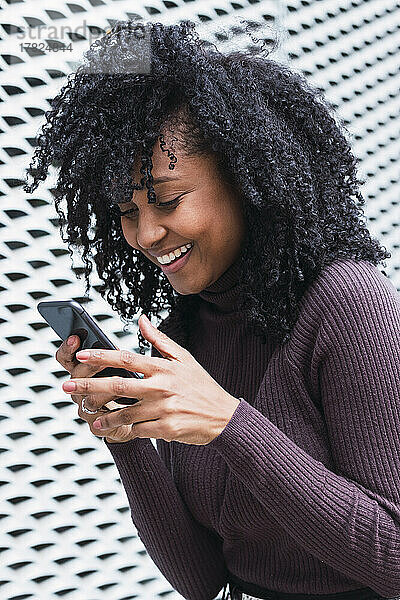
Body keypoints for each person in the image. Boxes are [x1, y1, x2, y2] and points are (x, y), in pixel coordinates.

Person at [23, 19, 400, 600]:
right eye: (125, 211)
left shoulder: (350, 306)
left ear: (247, 178)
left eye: (167, 200)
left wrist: (231, 425)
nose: (146, 233)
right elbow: (203, 582)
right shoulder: (189, 327)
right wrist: (123, 430)